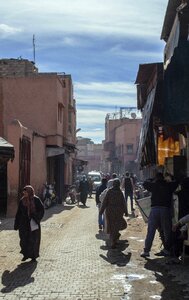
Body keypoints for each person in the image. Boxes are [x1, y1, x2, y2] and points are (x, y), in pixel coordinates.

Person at [140, 172, 178, 258]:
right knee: (167, 231)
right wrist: (171, 176)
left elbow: (144, 183)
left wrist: (152, 179)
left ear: (156, 178)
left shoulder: (153, 185)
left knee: (151, 231)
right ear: (164, 178)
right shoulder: (169, 185)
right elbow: (177, 181)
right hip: (165, 210)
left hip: (154, 210)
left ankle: (146, 251)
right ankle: (167, 250)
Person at [14, 185, 44, 262]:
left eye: (26, 191)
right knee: (23, 239)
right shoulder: (22, 200)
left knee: (33, 240)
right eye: (24, 191)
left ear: (30, 192)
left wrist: (35, 217)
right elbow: (19, 213)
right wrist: (16, 224)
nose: (24, 193)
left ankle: (33, 256)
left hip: (33, 222)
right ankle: (25, 255)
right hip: (23, 224)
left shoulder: (36, 200)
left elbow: (41, 210)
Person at [99, 178, 128, 249]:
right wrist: (126, 211)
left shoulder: (110, 191)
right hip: (118, 212)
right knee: (116, 226)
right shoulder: (120, 192)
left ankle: (114, 240)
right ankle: (113, 241)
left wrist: (101, 211)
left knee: (112, 227)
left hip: (110, 211)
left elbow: (105, 202)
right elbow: (123, 203)